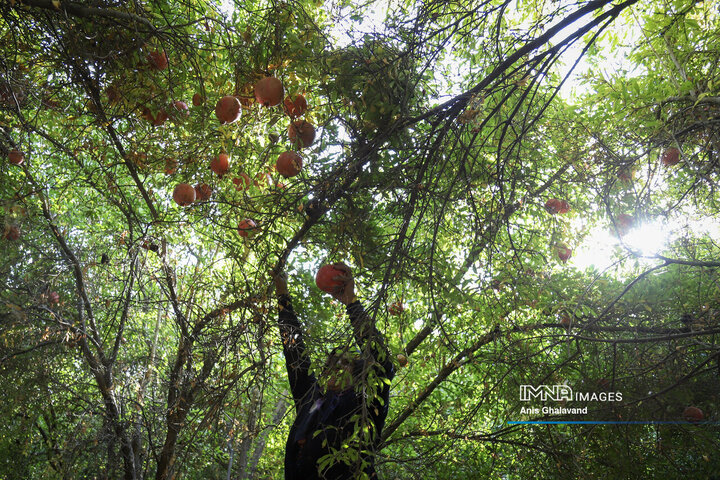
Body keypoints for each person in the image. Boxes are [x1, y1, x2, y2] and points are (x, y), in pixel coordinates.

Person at [272, 263, 394, 480]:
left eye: (344, 363)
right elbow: (294, 352)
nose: (335, 367)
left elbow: (382, 363)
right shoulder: (311, 399)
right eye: (330, 364)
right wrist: (282, 295)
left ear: (357, 375)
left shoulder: (365, 403)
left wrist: (351, 302)